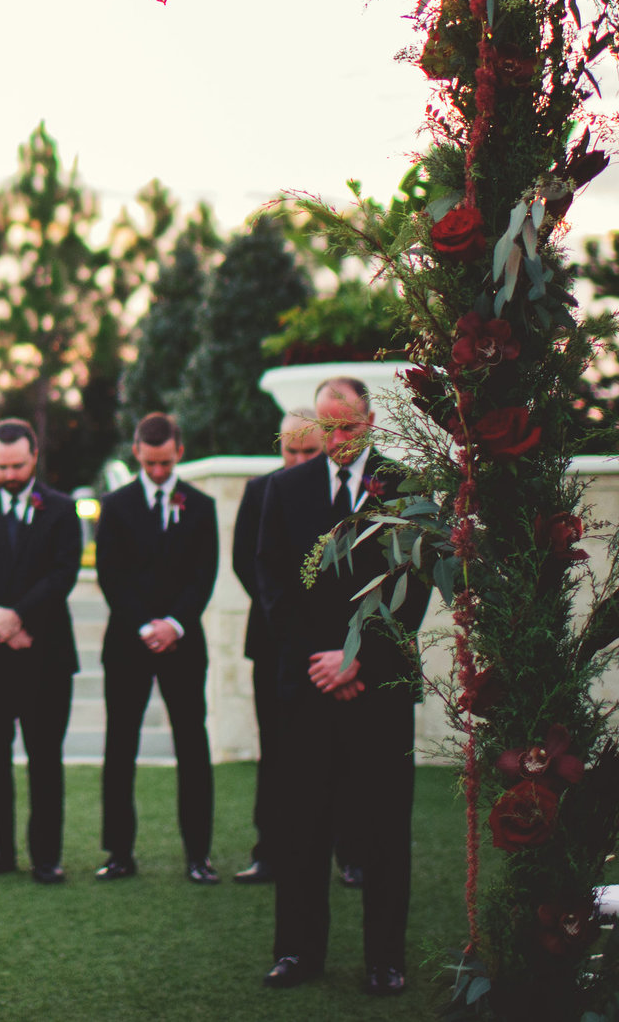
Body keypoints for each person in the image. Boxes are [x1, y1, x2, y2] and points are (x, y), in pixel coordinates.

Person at [253, 376, 431, 996]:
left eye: (347, 427)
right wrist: (321, 661)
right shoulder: (284, 489)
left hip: (377, 690)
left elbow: (414, 588)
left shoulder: (408, 489)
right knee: (301, 824)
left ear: (371, 420)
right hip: (307, 689)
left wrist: (358, 659)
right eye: (326, 428)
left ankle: (386, 958)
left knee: (384, 827)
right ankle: (298, 952)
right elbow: (272, 587)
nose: (336, 440)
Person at [94, 412, 221, 883]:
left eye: (166, 463)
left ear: (179, 453)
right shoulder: (117, 504)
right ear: (137, 455)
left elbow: (203, 575)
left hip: (183, 644)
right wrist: (144, 625)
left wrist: (173, 624)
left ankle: (198, 855)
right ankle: (119, 854)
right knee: (119, 747)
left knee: (192, 744)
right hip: (127, 643)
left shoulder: (202, 507)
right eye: (150, 464)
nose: (158, 472)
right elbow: (111, 575)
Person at [0, 418, 83, 885]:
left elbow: (64, 573)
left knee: (44, 758)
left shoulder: (60, 509)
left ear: (34, 458)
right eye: (1, 466)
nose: (10, 474)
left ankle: (46, 857)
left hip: (46, 654)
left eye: (17, 465)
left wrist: (20, 617)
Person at [229, 409, 326, 885]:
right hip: (271, 641)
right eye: (291, 450)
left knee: (335, 752)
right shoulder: (259, 490)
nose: (298, 460)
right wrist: (283, 613)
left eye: (309, 451)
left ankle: (348, 853)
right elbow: (247, 564)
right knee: (276, 748)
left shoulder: (332, 492)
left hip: (329, 645)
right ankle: (269, 850)